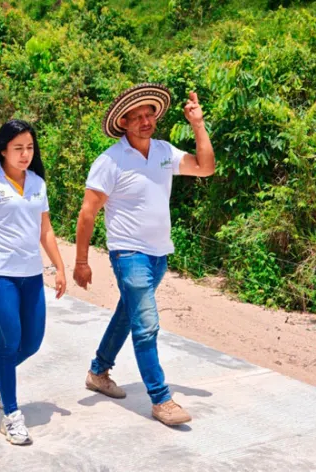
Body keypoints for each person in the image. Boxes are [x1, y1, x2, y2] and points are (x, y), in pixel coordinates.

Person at [72, 83, 215, 426]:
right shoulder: (110, 160)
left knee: (128, 314)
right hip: (129, 253)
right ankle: (160, 398)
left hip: (158, 255)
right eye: (135, 116)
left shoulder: (164, 151)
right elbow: (88, 212)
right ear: (123, 122)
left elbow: (205, 167)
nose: (144, 120)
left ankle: (98, 371)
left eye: (148, 113)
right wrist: (80, 262)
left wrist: (198, 124)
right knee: (147, 325)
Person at [0, 119, 67, 445]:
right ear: (2, 149)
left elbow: (45, 230)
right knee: (9, 344)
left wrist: (59, 267)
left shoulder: (36, 183)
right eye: (18, 148)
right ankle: (12, 416)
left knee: (31, 342)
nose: (25, 154)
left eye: (29, 147)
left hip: (31, 276)